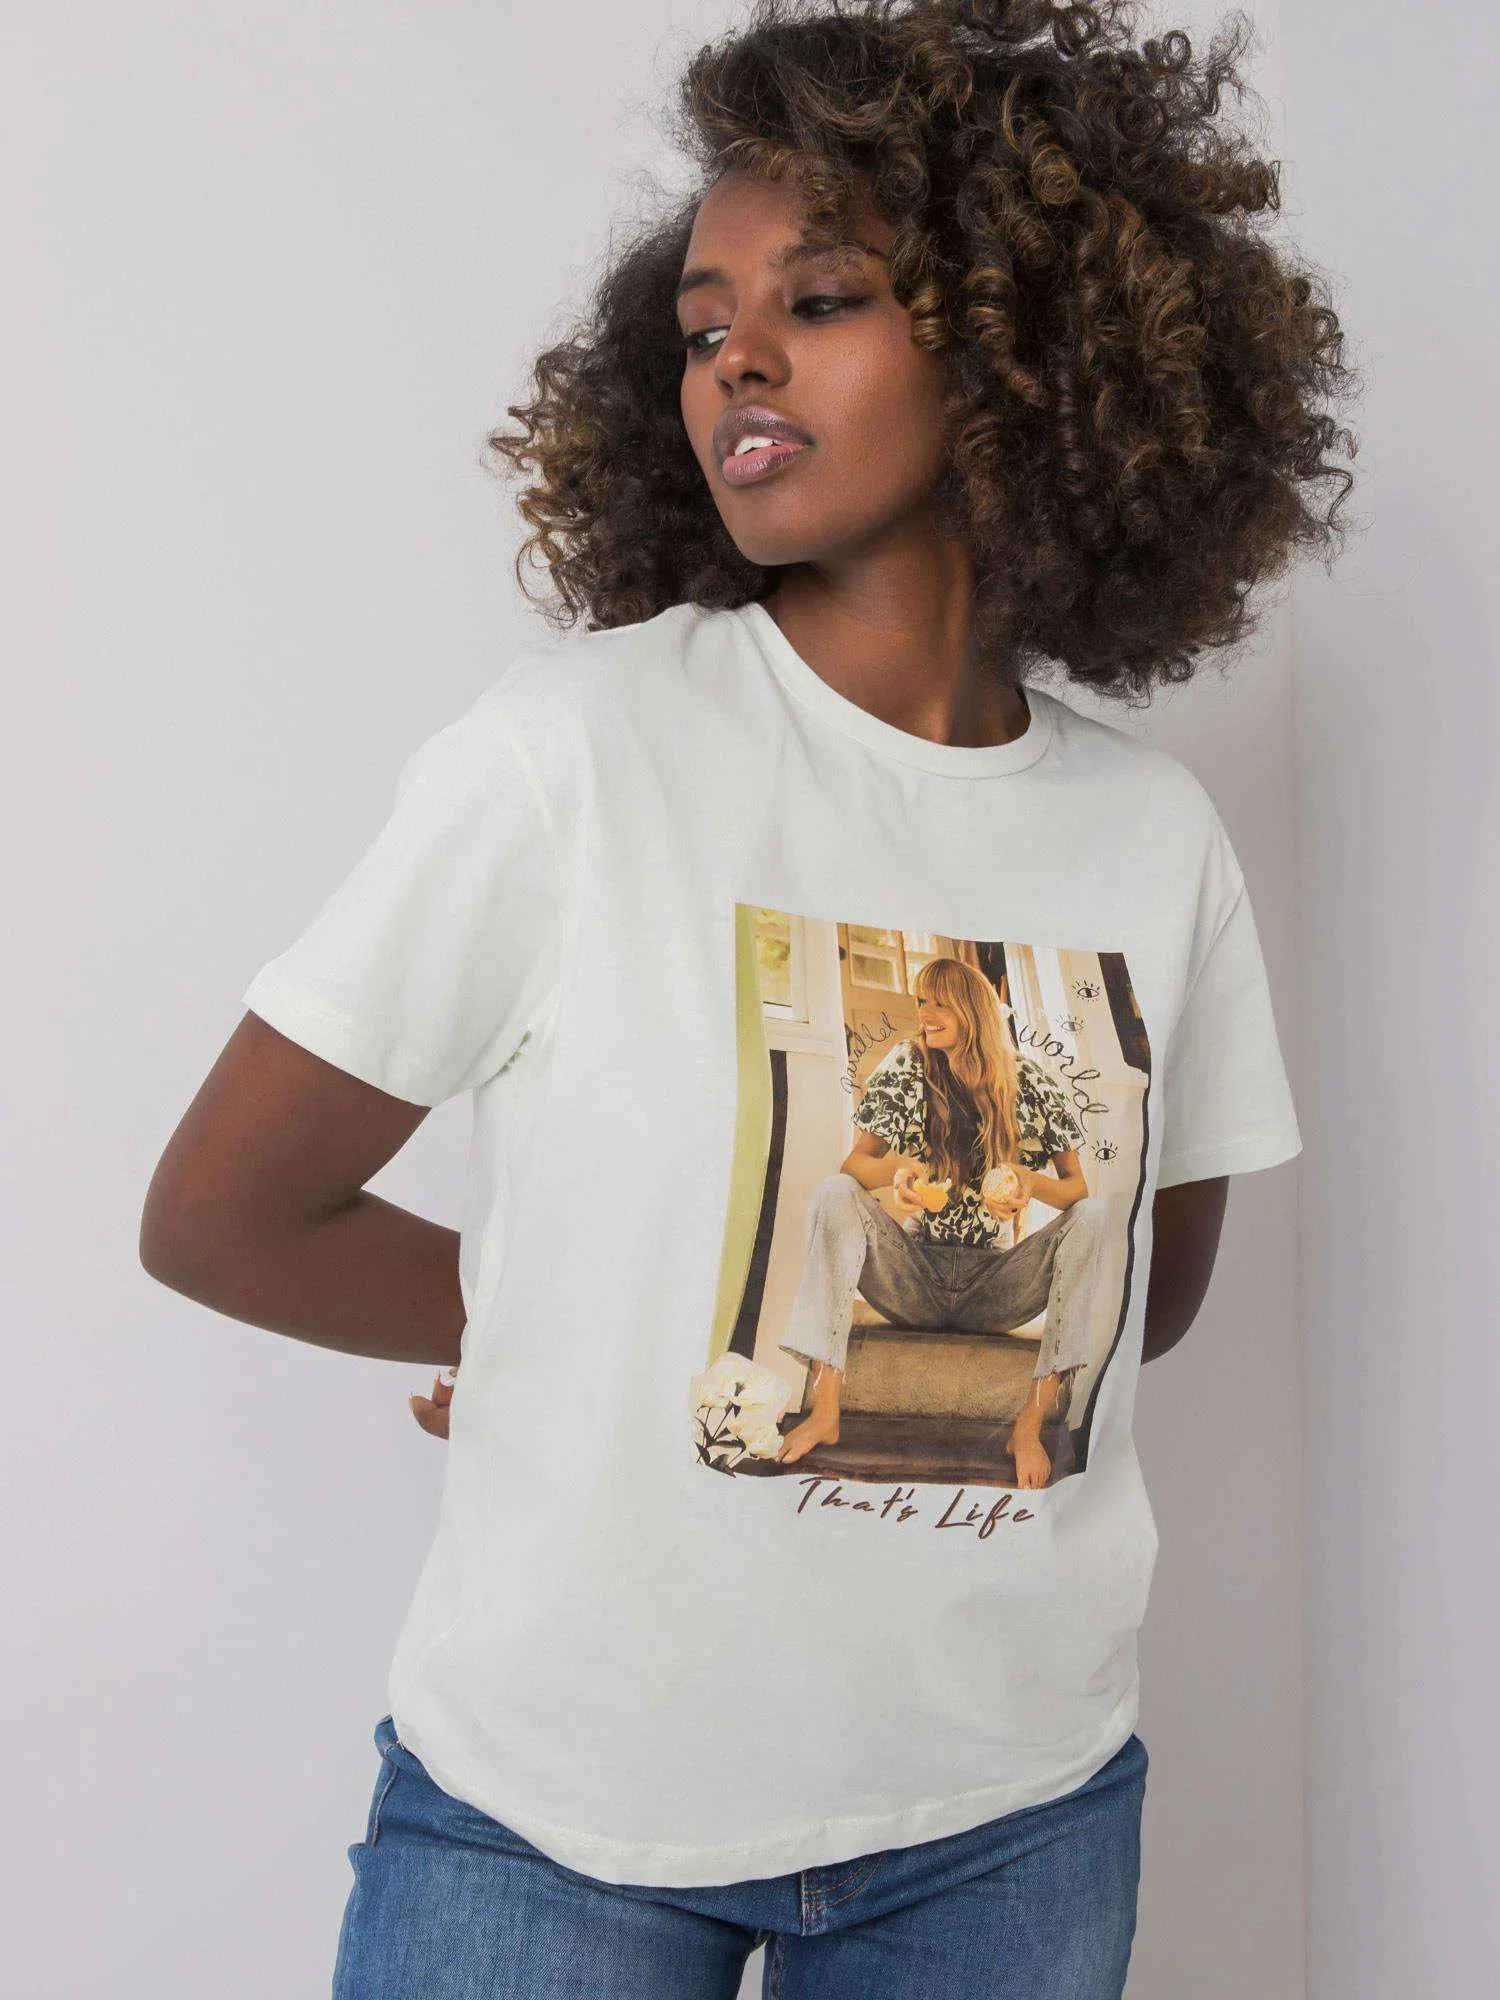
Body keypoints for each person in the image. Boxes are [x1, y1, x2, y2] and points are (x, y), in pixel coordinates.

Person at [139, 2, 1354, 1993]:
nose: (739, 362)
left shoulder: (1151, 838)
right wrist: (558, 1336)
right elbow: (221, 1213)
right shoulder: (575, 756)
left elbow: (1142, 1295)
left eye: (825, 297)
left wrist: (759, 1330)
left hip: (1010, 1819)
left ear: (1027, 349)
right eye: (706, 326)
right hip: (554, 1816)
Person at [774, 954, 1108, 1483]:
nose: (924, 1014)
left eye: (938, 1003)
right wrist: (898, 1173)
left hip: (994, 1285)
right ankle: (826, 1407)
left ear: (972, 1009)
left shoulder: (1028, 1080)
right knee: (835, 1191)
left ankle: (1028, 1425)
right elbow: (855, 1166)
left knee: (1093, 1215)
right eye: (920, 1002)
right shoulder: (908, 1064)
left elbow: (1076, 1189)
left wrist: (1029, 1182)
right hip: (914, 1277)